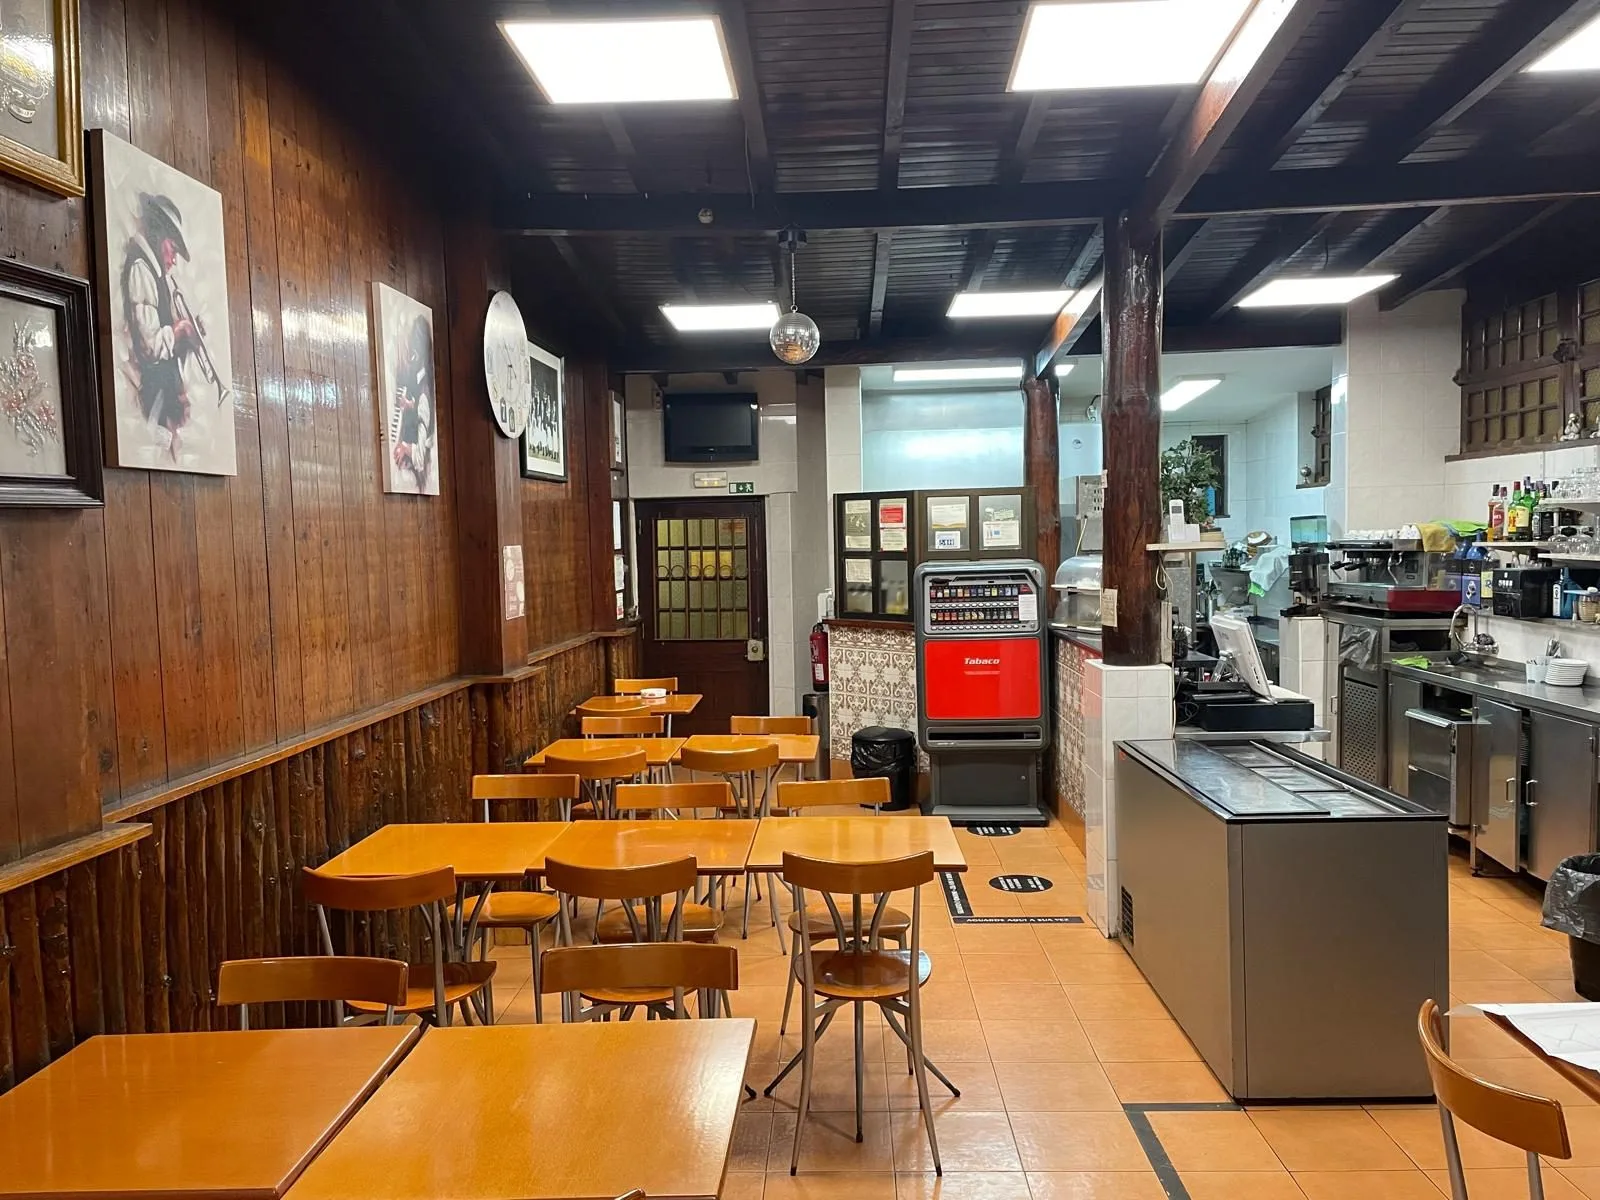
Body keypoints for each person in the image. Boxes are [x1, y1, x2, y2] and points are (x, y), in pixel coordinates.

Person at [122, 192, 198, 460]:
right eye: (173, 249)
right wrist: (178, 332)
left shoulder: (156, 275)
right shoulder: (142, 269)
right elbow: (150, 345)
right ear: (158, 236)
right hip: (154, 403)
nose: (173, 259)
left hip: (164, 404)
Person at [391, 314, 435, 489]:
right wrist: (409, 405)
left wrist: (405, 447)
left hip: (417, 474)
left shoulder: (424, 392)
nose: (409, 358)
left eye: (412, 353)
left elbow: (419, 458)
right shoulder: (421, 380)